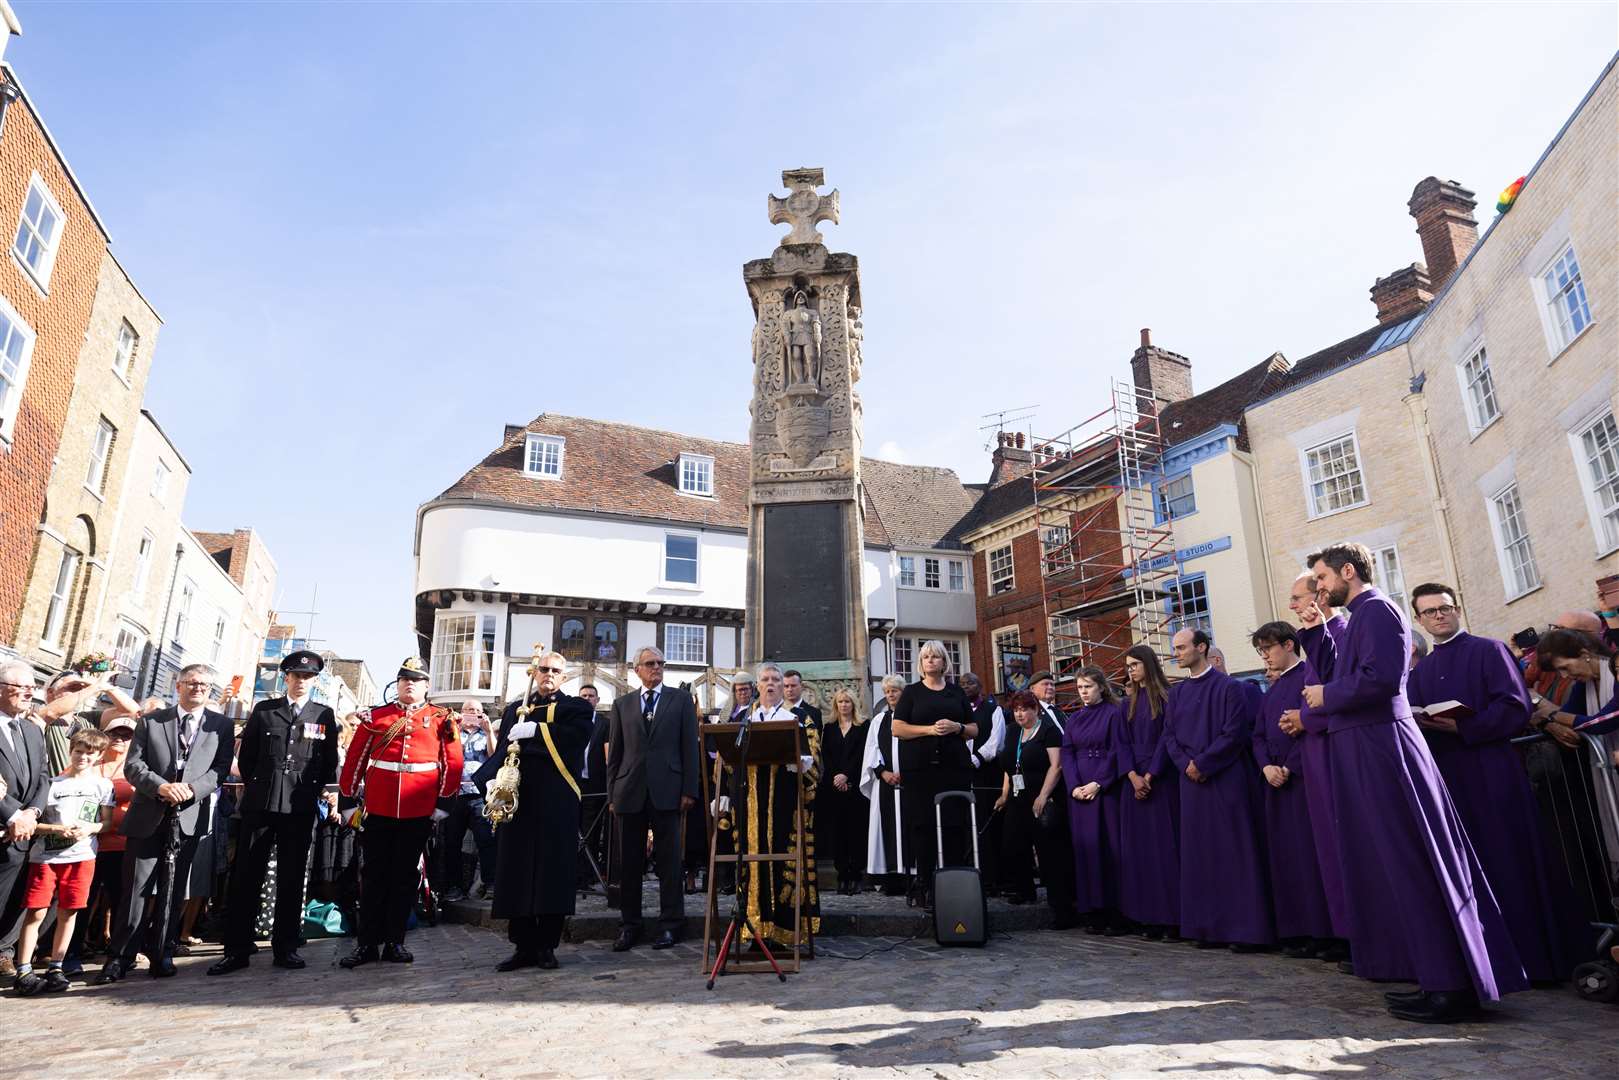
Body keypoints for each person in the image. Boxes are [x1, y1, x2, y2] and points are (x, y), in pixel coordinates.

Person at [1303, 543, 1526, 1022]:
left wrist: (1327, 694)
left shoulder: (1379, 610)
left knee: (1413, 860)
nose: (1318, 588)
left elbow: (1381, 680)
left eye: (1322, 578)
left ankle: (1450, 984)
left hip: (1383, 747)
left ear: (1348, 571)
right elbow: (1344, 670)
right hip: (1365, 746)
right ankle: (1433, 976)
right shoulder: (1359, 615)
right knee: (1394, 865)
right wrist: (1316, 633)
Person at [1407, 584, 1588, 985]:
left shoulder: (1489, 651)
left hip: (1492, 771)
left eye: (1445, 608)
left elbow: (1515, 706)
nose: (1439, 616)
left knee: (1511, 860)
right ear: (1418, 619)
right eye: (1430, 612)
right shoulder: (1418, 673)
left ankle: (1537, 962)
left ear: (1457, 609)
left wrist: (1463, 725)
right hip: (1450, 777)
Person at [99, 664, 234, 983]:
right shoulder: (151, 721)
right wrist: (160, 786)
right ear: (178, 685)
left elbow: (220, 769)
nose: (197, 688)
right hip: (149, 814)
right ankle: (120, 957)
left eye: (204, 685)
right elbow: (133, 766)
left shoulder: (222, 725)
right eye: (191, 683)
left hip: (189, 817)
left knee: (174, 892)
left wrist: (191, 790)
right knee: (134, 890)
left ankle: (162, 952)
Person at [209, 650, 340, 975]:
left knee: (293, 879)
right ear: (286, 677)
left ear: (314, 681)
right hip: (261, 804)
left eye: (307, 677)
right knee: (246, 878)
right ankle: (237, 949)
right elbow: (249, 757)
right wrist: (261, 786)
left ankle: (286, 947)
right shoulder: (265, 711)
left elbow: (327, 763)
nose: (301, 682)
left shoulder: (323, 714)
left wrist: (311, 791)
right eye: (296, 676)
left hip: (299, 806)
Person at [337, 658, 463, 969]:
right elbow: (355, 759)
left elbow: (452, 763)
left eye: (416, 680)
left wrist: (443, 804)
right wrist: (348, 799)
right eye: (404, 679)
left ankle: (395, 941)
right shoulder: (376, 717)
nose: (409, 684)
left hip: (418, 810)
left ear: (426, 686)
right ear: (397, 683)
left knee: (405, 878)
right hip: (379, 808)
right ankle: (366, 944)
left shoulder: (440, 718)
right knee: (373, 876)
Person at [480, 650, 593, 972]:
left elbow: (577, 739)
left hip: (557, 797)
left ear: (564, 676)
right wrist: (493, 781)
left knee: (551, 872)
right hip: (520, 798)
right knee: (517, 871)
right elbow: (504, 751)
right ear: (534, 672)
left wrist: (538, 731)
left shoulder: (577, 708)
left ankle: (547, 945)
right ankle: (522, 946)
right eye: (543, 669)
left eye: (555, 671)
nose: (548, 675)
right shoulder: (517, 709)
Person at [1162, 628, 1274, 952]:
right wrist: (1186, 764)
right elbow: (1169, 735)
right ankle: (1205, 927)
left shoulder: (1230, 688)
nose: (1177, 653)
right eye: (1175, 648)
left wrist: (1204, 764)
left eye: (1182, 647)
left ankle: (1244, 930)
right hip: (1191, 783)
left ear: (1201, 647)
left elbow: (1234, 732)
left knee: (1234, 852)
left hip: (1226, 779)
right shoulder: (1177, 694)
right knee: (1200, 856)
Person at [1249, 622, 1334, 959]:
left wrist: (1289, 766)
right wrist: (1266, 767)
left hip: (1303, 782)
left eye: (1268, 648)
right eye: (1261, 651)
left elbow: (1314, 730)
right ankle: (1299, 930)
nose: (1265, 656)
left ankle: (1326, 934)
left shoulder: (1307, 679)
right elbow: (1257, 736)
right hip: (1276, 784)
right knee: (1287, 860)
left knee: (1312, 859)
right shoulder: (1271, 691)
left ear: (1288, 645)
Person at [605, 646, 697, 951]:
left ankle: (671, 924)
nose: (656, 667)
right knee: (629, 864)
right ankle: (630, 925)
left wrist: (688, 789)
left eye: (660, 663)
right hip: (629, 791)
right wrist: (612, 794)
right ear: (637, 670)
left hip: (668, 791)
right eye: (650, 663)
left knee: (670, 863)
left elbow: (689, 748)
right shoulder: (622, 704)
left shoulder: (680, 700)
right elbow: (615, 754)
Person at [1281, 568, 1351, 961]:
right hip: (1317, 756)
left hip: (1335, 756)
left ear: (1320, 598)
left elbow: (1344, 695)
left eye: (1297, 597)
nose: (1292, 605)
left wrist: (1304, 719)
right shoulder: (1318, 640)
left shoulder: (1342, 634)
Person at [13, 728, 114, 994]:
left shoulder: (103, 785)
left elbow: (106, 823)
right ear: (70, 751)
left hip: (81, 857)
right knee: (35, 911)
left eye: (89, 754)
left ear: (99, 756)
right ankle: (23, 968)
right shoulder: (52, 784)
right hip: (45, 857)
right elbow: (32, 823)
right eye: (78, 751)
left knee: (68, 912)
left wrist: (90, 828)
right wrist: (56, 830)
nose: (82, 757)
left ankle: (56, 965)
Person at [729, 663, 820, 945]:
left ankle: (784, 931)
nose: (770, 684)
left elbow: (814, 762)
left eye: (776, 680)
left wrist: (802, 762)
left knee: (783, 858)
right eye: (765, 679)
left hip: (785, 802)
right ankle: (754, 927)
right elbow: (731, 761)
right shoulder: (746, 718)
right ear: (757, 685)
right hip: (751, 803)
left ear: (784, 685)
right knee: (753, 861)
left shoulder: (800, 717)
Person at [893, 641, 976, 909]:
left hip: (953, 766)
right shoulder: (912, 693)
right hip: (920, 769)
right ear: (921, 663)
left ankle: (953, 884)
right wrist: (929, 730)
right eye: (926, 657)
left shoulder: (955, 693)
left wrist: (957, 726)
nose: (930, 661)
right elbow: (897, 728)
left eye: (935, 657)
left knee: (953, 824)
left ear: (944, 662)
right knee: (923, 825)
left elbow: (974, 729)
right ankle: (925, 885)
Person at [993, 690, 1075, 926]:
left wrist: (1043, 795)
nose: (1020, 714)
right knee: (1013, 843)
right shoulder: (1013, 732)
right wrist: (1004, 794)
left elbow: (1056, 766)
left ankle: (1060, 905)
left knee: (1050, 852)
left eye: (1025, 709)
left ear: (1035, 709)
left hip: (1041, 797)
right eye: (1016, 710)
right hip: (1017, 798)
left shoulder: (1048, 731)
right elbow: (1010, 766)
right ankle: (1024, 888)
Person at [1116, 645, 1179, 940]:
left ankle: (1171, 918)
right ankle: (1147, 917)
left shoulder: (1167, 698)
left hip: (1160, 781)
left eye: (1135, 664)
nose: (1131, 670)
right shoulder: (1126, 704)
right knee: (1140, 854)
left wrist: (1150, 775)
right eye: (1128, 666)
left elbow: (1168, 738)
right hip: (1134, 783)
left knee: (1165, 852)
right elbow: (1121, 745)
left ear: (1148, 664)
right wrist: (1132, 776)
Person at [1061, 665, 1126, 934]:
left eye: (1088, 686)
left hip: (1105, 789)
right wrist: (1074, 786)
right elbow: (1067, 753)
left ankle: (1115, 912)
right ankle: (1093, 911)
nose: (1084, 692)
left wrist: (1098, 783)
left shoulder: (1114, 714)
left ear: (1100, 686)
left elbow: (1116, 751)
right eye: (1080, 688)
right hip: (1079, 793)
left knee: (1108, 849)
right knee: (1086, 850)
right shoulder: (1074, 719)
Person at [0, 661, 49, 980]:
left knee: (17, 896)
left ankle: (3, 950)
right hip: (6, 824)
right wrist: (13, 814)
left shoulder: (32, 728)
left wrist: (32, 813)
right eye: (21, 687)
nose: (28, 693)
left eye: (32, 687)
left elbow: (44, 776)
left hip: (27, 830)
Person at [439, 700, 498, 903]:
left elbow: (494, 756)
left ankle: (490, 884)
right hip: (455, 795)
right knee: (452, 843)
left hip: (479, 795)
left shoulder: (485, 734)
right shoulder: (452, 733)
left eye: (478, 711)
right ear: (462, 713)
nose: (474, 713)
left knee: (486, 841)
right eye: (470, 710)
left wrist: (489, 731)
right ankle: (454, 887)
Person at [860, 675, 912, 896]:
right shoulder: (879, 721)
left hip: (909, 782)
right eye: (887, 691)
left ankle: (912, 875)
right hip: (887, 783)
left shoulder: (914, 717)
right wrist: (883, 773)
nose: (890, 695)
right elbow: (873, 750)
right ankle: (891, 876)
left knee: (909, 826)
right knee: (887, 826)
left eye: (895, 691)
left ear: (903, 692)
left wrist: (907, 771)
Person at [818, 688, 867, 896]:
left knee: (856, 832)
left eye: (847, 701)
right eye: (840, 702)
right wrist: (837, 777)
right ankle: (842, 876)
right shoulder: (828, 728)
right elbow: (826, 756)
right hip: (834, 787)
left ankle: (856, 875)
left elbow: (862, 754)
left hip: (855, 786)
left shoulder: (863, 726)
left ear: (853, 704)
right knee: (838, 833)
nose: (844, 705)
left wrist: (847, 776)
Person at [961, 673, 1006, 896]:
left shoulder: (992, 709)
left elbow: (996, 741)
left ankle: (992, 878)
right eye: (962, 684)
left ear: (979, 685)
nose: (966, 687)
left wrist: (976, 758)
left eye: (970, 683)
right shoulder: (958, 710)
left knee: (987, 826)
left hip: (986, 774)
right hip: (962, 775)